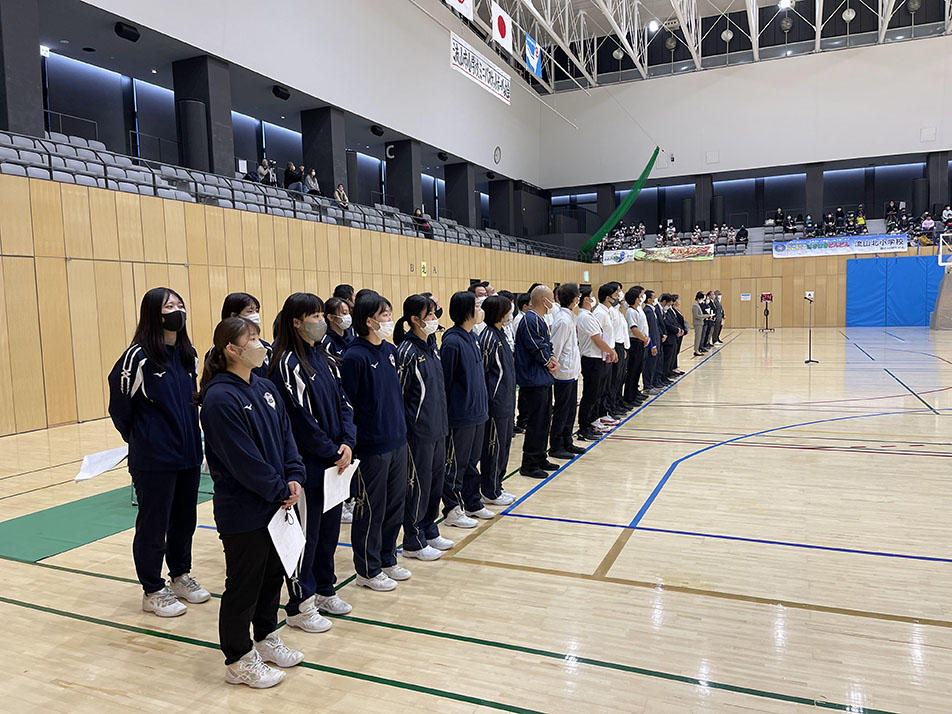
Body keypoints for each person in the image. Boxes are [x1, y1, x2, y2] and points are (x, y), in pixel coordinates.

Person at [199, 316, 306, 688]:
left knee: (271, 577)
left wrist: (293, 476)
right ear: (232, 349)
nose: (262, 345)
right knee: (243, 584)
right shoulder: (219, 398)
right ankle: (239, 658)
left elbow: (286, 438)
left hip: (277, 505)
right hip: (244, 511)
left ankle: (265, 636)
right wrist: (278, 488)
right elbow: (242, 460)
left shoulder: (265, 388)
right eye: (254, 339)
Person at [107, 287, 207, 617]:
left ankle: (180, 575)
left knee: (184, 519)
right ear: (153, 313)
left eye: (180, 304)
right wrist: (142, 439)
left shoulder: (187, 353)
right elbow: (120, 406)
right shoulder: (137, 357)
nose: (177, 310)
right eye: (169, 306)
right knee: (153, 523)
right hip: (154, 458)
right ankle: (152, 589)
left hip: (189, 452)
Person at [270, 293, 356, 629]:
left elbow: (345, 405)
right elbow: (299, 421)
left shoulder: (327, 359)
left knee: (329, 533)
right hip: (309, 468)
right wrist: (331, 451)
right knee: (306, 538)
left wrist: (347, 442)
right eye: (315, 315)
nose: (321, 320)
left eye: (322, 314)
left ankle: (324, 588)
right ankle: (299, 604)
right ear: (296, 321)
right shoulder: (286, 365)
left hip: (336, 465)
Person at [340, 292, 409, 591]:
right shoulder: (354, 356)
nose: (388, 320)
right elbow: (349, 404)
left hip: (397, 440)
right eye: (384, 315)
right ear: (368, 320)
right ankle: (367, 569)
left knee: (395, 503)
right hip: (371, 447)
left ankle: (387, 556)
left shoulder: (390, 351)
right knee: (371, 507)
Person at [394, 295, 456, 560]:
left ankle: (430, 529)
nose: (434, 320)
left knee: (435, 483)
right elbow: (401, 395)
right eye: (428, 315)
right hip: (418, 433)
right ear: (414, 320)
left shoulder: (432, 346)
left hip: (439, 427)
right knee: (418, 485)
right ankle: (413, 539)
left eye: (434, 314)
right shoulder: (406, 353)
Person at [440, 291, 491, 526]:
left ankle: (472, 502)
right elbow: (447, 382)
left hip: (478, 412)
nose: (480, 310)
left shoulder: (473, 337)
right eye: (477, 305)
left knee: (472, 462)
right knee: (455, 465)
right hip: (460, 415)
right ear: (465, 310)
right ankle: (452, 508)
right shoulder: (451, 341)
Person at [476, 295, 518, 506]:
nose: (511, 314)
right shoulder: (488, 338)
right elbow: (484, 374)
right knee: (494, 448)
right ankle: (489, 490)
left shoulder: (501, 334)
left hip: (508, 402)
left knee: (505, 446)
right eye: (508, 311)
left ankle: (497, 485)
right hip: (496, 404)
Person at [515, 285, 559, 479]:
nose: (554, 303)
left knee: (543, 421)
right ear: (544, 301)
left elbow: (546, 344)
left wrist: (552, 357)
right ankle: (530, 463)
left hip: (542, 378)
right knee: (536, 422)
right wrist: (549, 361)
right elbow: (536, 346)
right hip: (533, 379)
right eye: (552, 299)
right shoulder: (530, 320)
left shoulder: (539, 319)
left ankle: (540, 456)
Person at [548, 283, 584, 460]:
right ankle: (556, 445)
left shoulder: (570, 317)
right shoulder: (562, 320)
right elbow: (555, 347)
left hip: (572, 372)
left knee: (570, 410)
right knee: (562, 411)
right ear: (575, 299)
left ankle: (567, 441)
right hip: (563, 373)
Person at [576, 286, 617, 441]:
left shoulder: (588, 314)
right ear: (586, 299)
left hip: (596, 358)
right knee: (589, 395)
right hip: (591, 359)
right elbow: (597, 339)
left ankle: (590, 423)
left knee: (595, 394)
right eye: (591, 296)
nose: (593, 299)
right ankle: (584, 428)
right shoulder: (585, 317)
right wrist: (611, 351)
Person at [206, 293, 272, 379]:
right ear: (233, 316)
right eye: (250, 311)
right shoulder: (217, 350)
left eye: (257, 310)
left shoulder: (265, 346)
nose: (256, 315)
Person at [622, 286, 649, 408]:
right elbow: (634, 328)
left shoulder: (638, 309)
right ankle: (629, 397)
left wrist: (646, 338)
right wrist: (643, 338)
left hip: (641, 341)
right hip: (634, 342)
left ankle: (635, 393)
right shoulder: (630, 312)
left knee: (638, 369)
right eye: (639, 296)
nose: (641, 298)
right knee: (632, 371)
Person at [512, 292, 531, 434]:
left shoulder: (525, 318)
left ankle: (525, 418)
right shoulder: (520, 320)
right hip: (523, 360)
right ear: (525, 306)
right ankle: (523, 419)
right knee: (524, 393)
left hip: (526, 360)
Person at [641, 290, 663, 393]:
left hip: (656, 340)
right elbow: (649, 329)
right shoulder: (648, 311)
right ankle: (648, 386)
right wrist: (652, 345)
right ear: (649, 299)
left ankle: (653, 383)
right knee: (649, 365)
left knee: (654, 364)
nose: (655, 299)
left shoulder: (652, 310)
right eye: (654, 297)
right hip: (652, 343)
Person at [322, 296, 353, 361]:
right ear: (331, 317)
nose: (348, 316)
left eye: (348, 313)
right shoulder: (326, 343)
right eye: (344, 313)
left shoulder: (351, 338)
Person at [659, 294, 681, 379]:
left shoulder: (669, 311)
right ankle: (665, 374)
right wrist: (676, 330)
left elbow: (674, 322)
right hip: (669, 337)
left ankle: (669, 372)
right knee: (667, 358)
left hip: (674, 336)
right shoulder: (663, 311)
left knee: (672, 357)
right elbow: (666, 324)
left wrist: (679, 329)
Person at [692, 292, 706, 357]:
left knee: (699, 337)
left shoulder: (697, 304)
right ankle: (696, 350)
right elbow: (696, 316)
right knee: (697, 337)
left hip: (700, 323)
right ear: (698, 298)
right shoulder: (695, 305)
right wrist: (704, 316)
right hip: (697, 323)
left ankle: (697, 349)